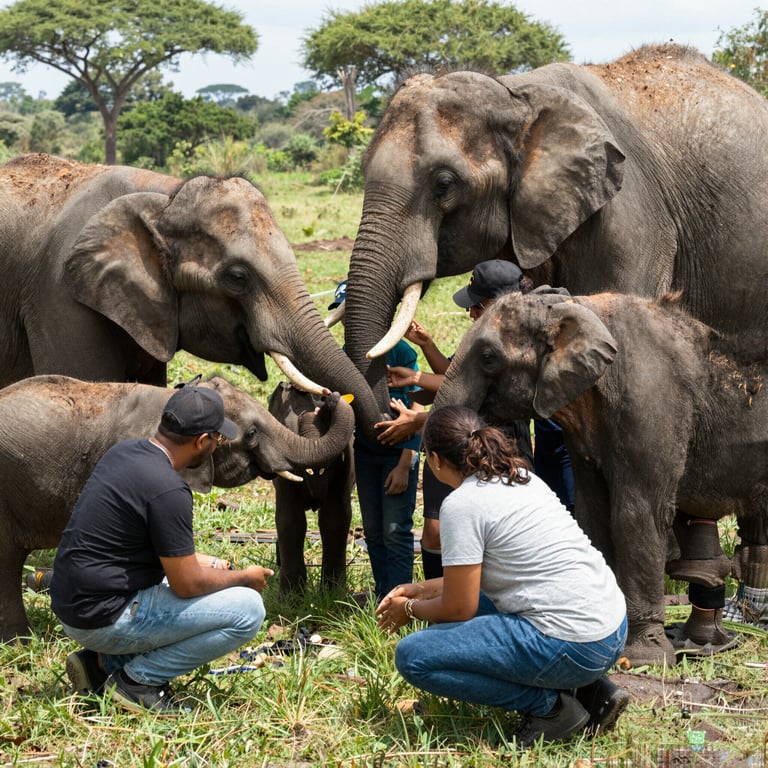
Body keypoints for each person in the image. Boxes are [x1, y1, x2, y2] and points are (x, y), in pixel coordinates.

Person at [375, 405, 629, 748]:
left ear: (434, 460)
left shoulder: (462, 504)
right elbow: (473, 583)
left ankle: (552, 709)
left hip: (576, 644)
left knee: (414, 656)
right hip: (612, 627)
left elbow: (459, 606)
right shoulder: (521, 476)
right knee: (481, 607)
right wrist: (416, 589)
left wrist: (407, 611)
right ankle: (592, 689)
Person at [50, 385, 273, 713]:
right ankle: (137, 682)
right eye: (217, 439)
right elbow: (187, 585)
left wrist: (204, 561)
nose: (216, 446)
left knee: (209, 581)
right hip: (103, 616)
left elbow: (136, 543)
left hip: (76, 606)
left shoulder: (125, 453)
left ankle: (100, 665)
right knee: (247, 611)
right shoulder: (169, 489)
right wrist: (243, 578)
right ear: (201, 441)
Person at [380, 260, 534, 580]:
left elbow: (461, 386)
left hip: (499, 445)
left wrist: (417, 382)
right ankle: (442, 593)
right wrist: (426, 347)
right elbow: (452, 376)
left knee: (494, 527)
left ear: (499, 305)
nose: (471, 313)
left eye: (476, 305)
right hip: (455, 439)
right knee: (435, 530)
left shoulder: (516, 345)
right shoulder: (478, 336)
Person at [328, 280, 422, 600]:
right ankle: (384, 596)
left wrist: (406, 462)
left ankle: (400, 600)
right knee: (374, 532)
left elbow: (417, 406)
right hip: (366, 454)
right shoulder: (343, 355)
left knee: (396, 532)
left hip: (398, 457)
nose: (349, 327)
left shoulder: (401, 351)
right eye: (344, 320)